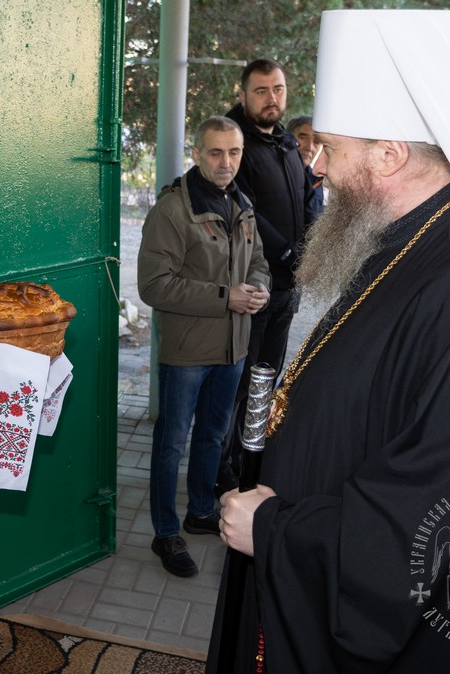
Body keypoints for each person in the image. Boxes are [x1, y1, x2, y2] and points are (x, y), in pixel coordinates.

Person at [210, 10, 450, 673]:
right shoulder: (408, 238)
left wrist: (275, 529)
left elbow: (442, 526)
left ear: (390, 155)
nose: (317, 168)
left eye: (330, 149)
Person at [137, 116, 269, 578]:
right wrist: (226, 297)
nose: (225, 162)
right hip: (187, 352)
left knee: (213, 436)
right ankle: (165, 532)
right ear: (196, 154)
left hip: (232, 349)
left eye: (234, 152)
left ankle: (199, 511)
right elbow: (154, 285)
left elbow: (258, 261)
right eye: (215, 152)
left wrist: (259, 288)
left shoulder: (241, 203)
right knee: (171, 444)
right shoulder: (173, 210)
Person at [223, 60, 315, 478]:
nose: (271, 98)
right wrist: (288, 253)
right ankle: (224, 469)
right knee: (239, 383)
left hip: (287, 288)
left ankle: (251, 461)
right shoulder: (235, 144)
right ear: (243, 95)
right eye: (261, 91)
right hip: (253, 287)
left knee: (267, 378)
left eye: (277, 89)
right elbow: (245, 211)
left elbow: (306, 202)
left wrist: (311, 250)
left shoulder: (286, 143)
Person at [287, 114, 326, 218]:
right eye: (303, 137)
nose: (309, 147)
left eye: (316, 142)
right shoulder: (278, 175)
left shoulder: (316, 179)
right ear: (288, 138)